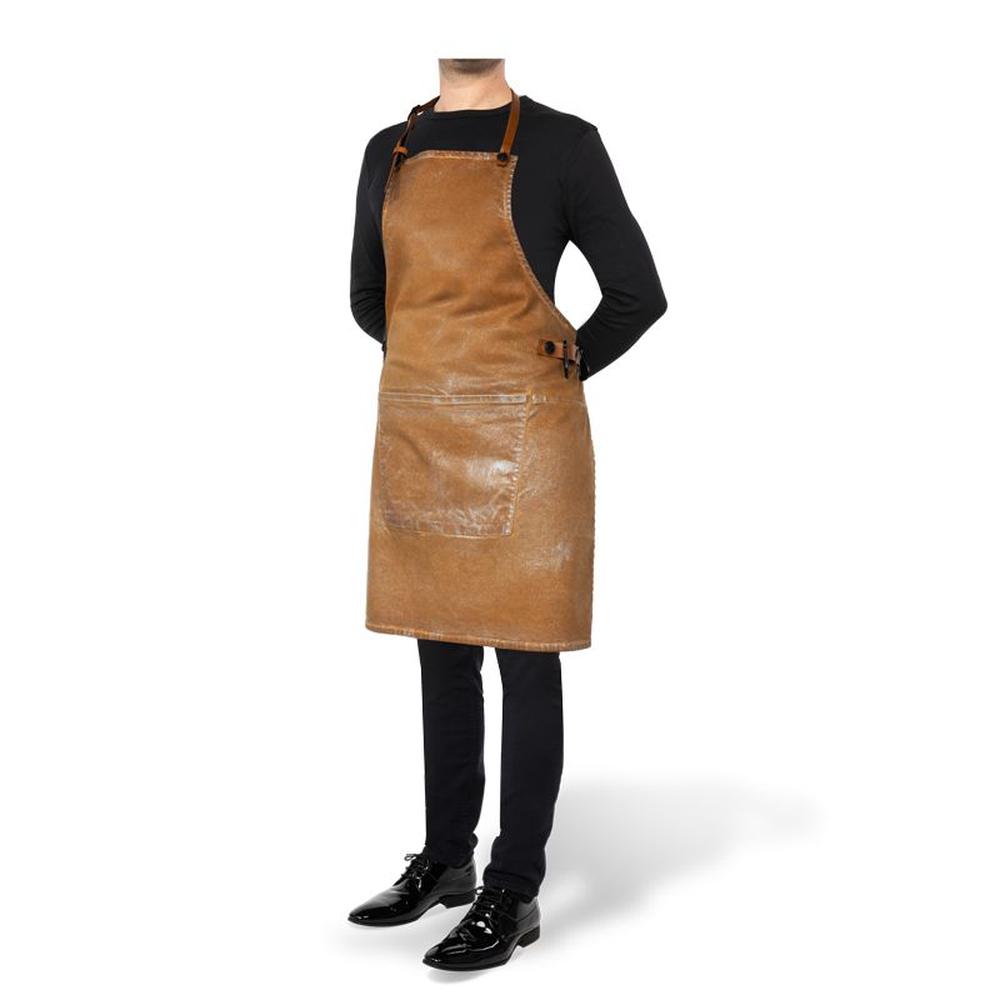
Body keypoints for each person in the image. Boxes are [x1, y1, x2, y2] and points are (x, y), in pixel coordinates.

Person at [347, 58, 667, 971]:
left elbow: (638, 294)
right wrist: (447, 373)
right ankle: (446, 858)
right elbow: (369, 299)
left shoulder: (566, 144)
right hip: (422, 429)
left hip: (529, 434)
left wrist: (545, 372)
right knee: (440, 648)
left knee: (526, 658)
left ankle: (513, 886)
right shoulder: (388, 150)